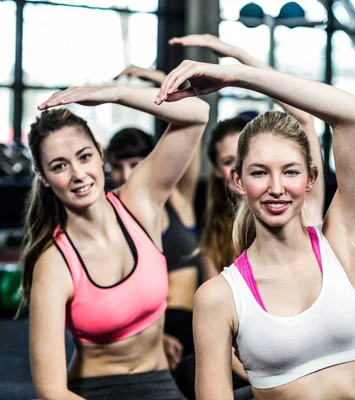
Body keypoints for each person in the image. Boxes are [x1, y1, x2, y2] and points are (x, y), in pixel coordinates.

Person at [155, 59, 355, 399]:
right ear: (238, 181)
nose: (276, 187)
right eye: (259, 173)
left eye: (290, 172)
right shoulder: (219, 297)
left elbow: (352, 113)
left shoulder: (344, 244)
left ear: (311, 178)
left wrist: (237, 76)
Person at [18, 84, 209, 399]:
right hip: (93, 392)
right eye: (60, 166)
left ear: (100, 153)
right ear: (43, 176)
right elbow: (50, 391)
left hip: (160, 383)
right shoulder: (53, 263)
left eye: (84, 156)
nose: (78, 173)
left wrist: (115, 93)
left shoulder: (139, 201)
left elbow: (197, 114)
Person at [168, 33, 324, 281]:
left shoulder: (300, 213)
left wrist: (237, 59)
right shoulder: (216, 235)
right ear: (228, 174)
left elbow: (304, 114)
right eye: (233, 162)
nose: (274, 185)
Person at [109, 66, 204, 370]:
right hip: (145, 333)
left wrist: (158, 81)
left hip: (197, 326)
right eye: (117, 166)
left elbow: (190, 124)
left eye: (135, 164)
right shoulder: (112, 216)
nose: (125, 175)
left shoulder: (179, 199)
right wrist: (156, 336)